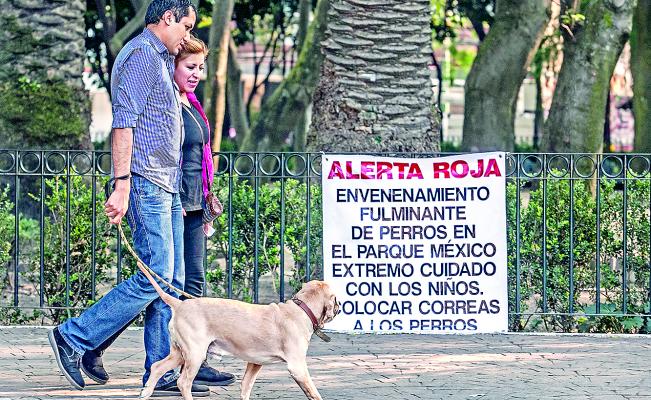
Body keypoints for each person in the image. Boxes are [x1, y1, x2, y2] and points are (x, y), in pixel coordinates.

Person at [47, 0, 210, 397]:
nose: (187, 36)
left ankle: (160, 370)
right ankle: (74, 337)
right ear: (168, 18)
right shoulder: (140, 55)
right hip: (145, 181)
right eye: (186, 26)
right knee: (154, 276)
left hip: (166, 181)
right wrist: (122, 184)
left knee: (169, 280)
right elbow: (124, 124)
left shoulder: (158, 57)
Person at [79, 35, 235, 389]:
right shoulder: (167, 105)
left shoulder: (190, 103)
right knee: (161, 286)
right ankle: (92, 341)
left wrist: (207, 197)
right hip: (170, 198)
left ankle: (189, 361)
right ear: (173, 66)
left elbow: (200, 155)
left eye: (201, 68)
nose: (196, 74)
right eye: (190, 67)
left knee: (184, 286)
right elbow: (159, 150)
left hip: (193, 201)